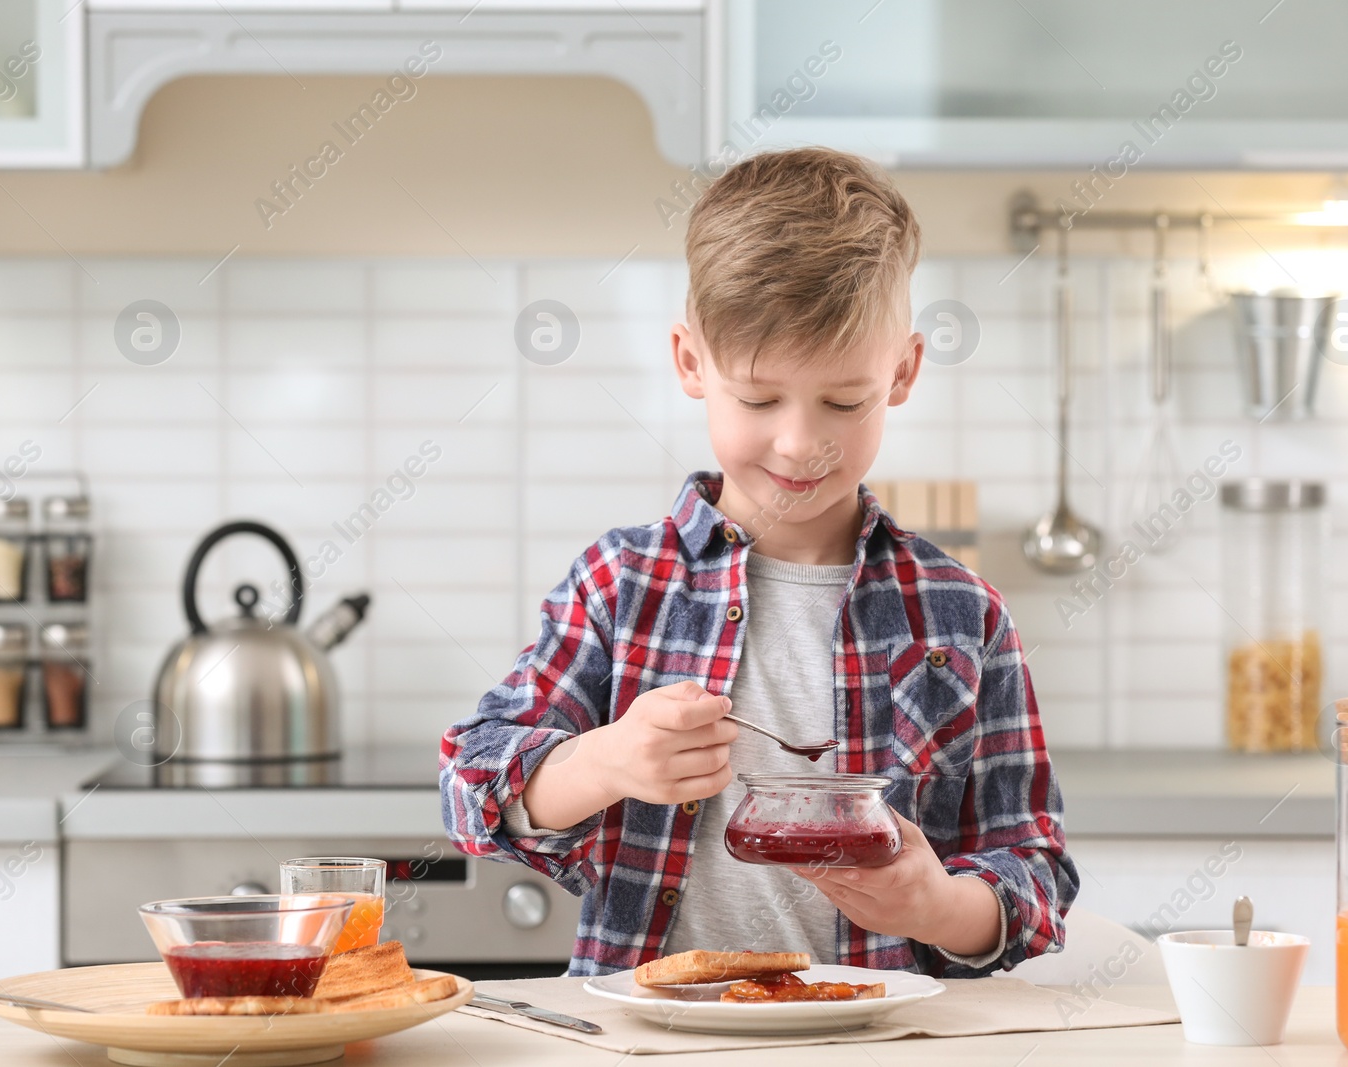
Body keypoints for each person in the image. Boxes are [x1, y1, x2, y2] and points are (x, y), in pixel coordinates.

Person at [440, 146, 1077, 977]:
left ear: (904, 373)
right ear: (691, 361)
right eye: (760, 398)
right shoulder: (620, 586)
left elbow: (1037, 869)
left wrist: (938, 904)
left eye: (844, 401)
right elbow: (469, 783)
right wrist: (605, 759)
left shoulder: (963, 617)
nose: (800, 441)